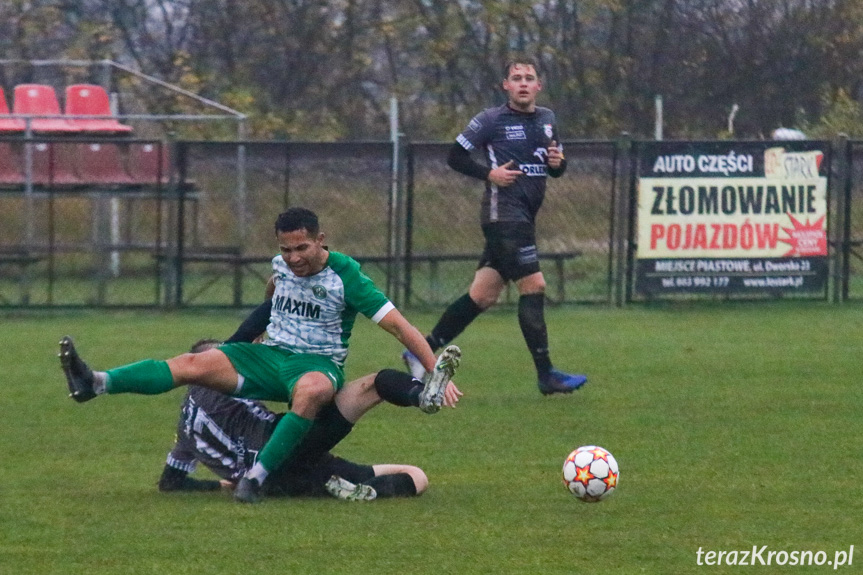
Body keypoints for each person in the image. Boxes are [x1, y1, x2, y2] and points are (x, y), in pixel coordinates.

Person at [60, 206, 459, 503]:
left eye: (302, 247)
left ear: (321, 240)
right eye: (285, 249)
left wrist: (435, 371)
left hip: (315, 362)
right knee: (193, 363)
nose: (294, 257)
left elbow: (400, 326)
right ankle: (95, 382)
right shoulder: (282, 266)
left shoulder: (346, 276)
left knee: (313, 390)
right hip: (270, 356)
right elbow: (274, 292)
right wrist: (257, 332)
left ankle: (256, 478)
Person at [402, 55, 587, 396]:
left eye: (529, 78)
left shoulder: (547, 119)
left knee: (483, 295)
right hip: (503, 217)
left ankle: (420, 350)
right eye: (516, 78)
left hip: (524, 217)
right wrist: (489, 173)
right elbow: (454, 156)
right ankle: (546, 374)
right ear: (506, 86)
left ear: (538, 86)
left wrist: (560, 163)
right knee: (533, 286)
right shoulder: (490, 120)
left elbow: (555, 167)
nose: (523, 83)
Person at [158, 339, 458, 501]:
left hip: (272, 484)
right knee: (377, 385)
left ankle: (365, 493)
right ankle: (421, 396)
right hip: (285, 443)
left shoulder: (185, 426)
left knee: (408, 474)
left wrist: (222, 485)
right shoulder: (230, 384)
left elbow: (171, 483)